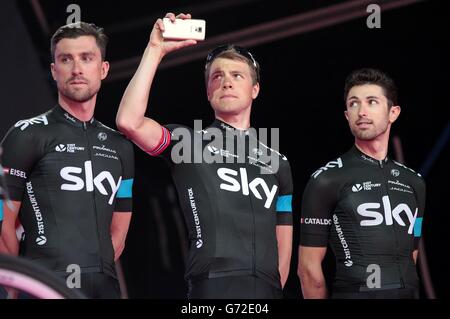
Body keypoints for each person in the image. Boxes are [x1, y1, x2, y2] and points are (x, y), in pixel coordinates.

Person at [116, 13, 293, 299]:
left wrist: (271, 290)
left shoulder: (278, 161)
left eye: (237, 75)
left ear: (255, 89)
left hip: (266, 290)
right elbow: (129, 122)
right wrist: (155, 50)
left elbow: (283, 247)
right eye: (217, 76)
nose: (227, 82)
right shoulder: (189, 141)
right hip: (211, 285)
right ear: (208, 91)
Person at [0, 22, 134, 299]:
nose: (76, 69)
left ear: (104, 69)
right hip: (44, 282)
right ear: (53, 70)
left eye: (86, 58)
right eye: (65, 59)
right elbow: (3, 225)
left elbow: (117, 237)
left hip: (104, 287)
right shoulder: (27, 134)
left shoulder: (121, 146)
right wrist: (18, 287)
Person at [298, 68, 426, 299]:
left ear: (393, 113)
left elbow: (411, 255)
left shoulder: (414, 181)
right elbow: (308, 271)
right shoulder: (326, 179)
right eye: (354, 103)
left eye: (372, 102)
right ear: (347, 115)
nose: (362, 111)